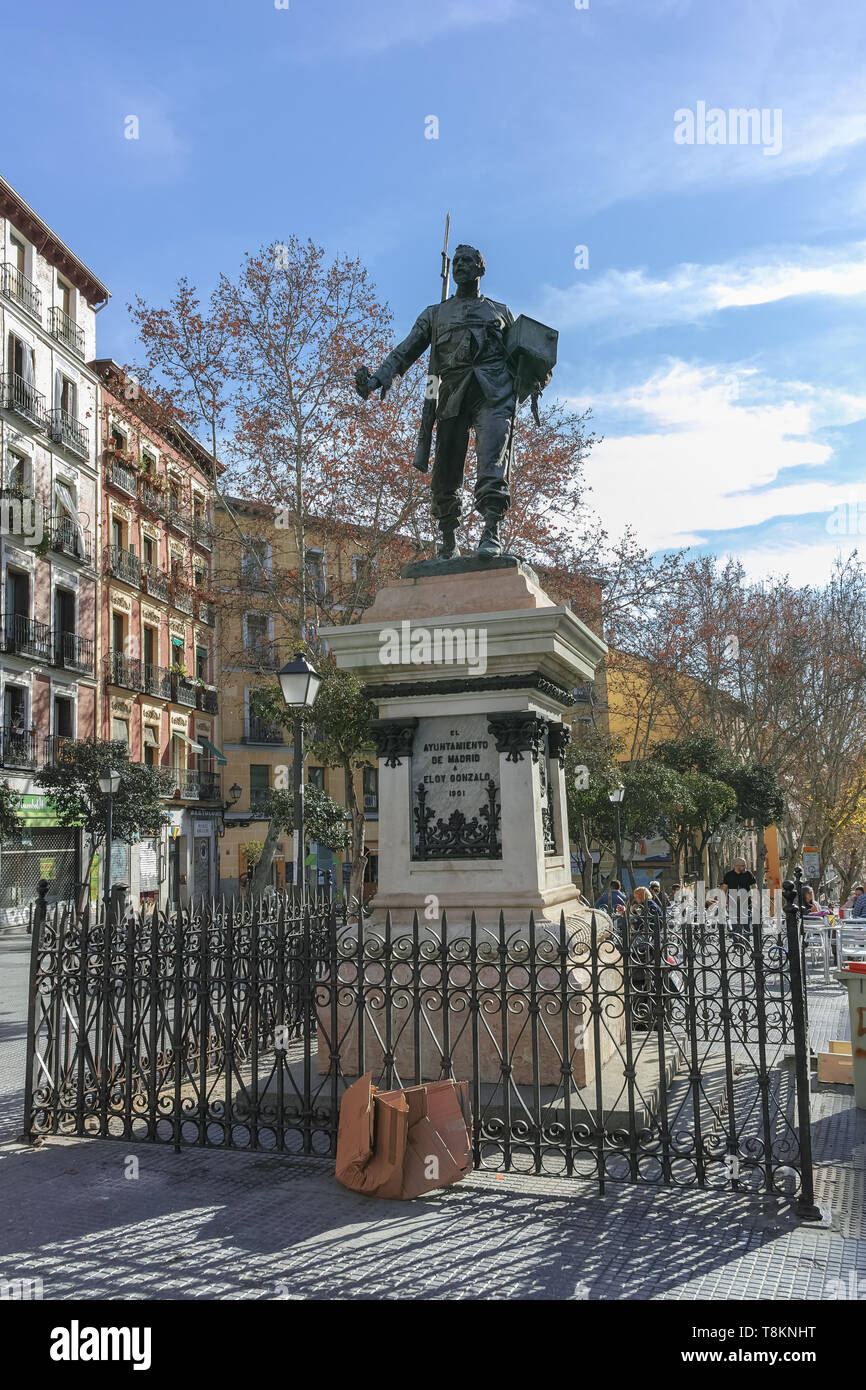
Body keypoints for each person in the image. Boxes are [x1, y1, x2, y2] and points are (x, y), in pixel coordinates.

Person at [355, 244, 552, 560]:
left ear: (480, 269)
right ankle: (448, 539)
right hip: (451, 395)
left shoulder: (500, 312)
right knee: (445, 471)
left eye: (468, 261)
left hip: (494, 395)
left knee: (493, 461)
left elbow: (525, 354)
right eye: (457, 261)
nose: (461, 265)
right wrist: (377, 379)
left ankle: (491, 533)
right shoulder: (435, 314)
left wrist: (534, 374)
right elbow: (405, 352)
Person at [722, 858, 757, 925]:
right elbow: (724, 889)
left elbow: (754, 887)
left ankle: (746, 935)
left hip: (746, 902)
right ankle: (734, 935)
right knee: (734, 924)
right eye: (743, 865)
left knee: (746, 924)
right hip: (732, 902)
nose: (744, 867)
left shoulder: (748, 874)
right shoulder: (728, 875)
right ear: (736, 866)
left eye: (744, 865)